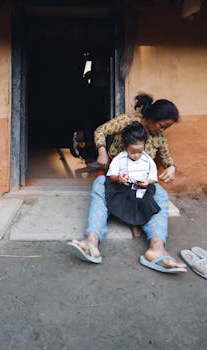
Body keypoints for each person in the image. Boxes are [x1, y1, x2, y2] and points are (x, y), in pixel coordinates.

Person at [67, 93, 187, 273]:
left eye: (166, 128)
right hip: (117, 180)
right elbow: (100, 131)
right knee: (100, 185)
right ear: (153, 118)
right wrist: (102, 151)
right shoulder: (126, 121)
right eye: (162, 125)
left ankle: (156, 248)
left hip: (140, 184)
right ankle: (91, 242)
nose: (162, 130)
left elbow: (167, 159)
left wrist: (171, 167)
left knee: (160, 194)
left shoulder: (159, 138)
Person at [105, 121, 161, 230]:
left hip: (143, 187)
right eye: (133, 152)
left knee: (142, 200)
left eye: (140, 151)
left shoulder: (147, 160)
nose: (136, 155)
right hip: (124, 186)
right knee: (124, 200)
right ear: (126, 147)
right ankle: (130, 221)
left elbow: (153, 178)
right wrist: (119, 178)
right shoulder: (119, 158)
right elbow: (111, 175)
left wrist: (148, 182)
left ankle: (137, 223)